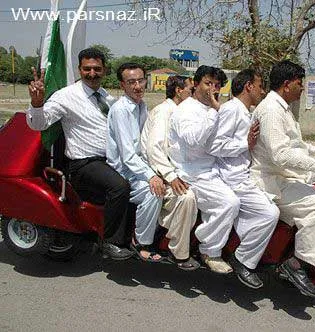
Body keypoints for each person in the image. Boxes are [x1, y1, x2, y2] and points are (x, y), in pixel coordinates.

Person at [26, 48, 133, 260]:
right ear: (79, 69)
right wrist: (37, 103)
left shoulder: (106, 97)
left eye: (97, 69)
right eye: (87, 69)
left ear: (105, 70)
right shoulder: (66, 96)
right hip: (83, 164)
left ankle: (137, 238)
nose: (92, 73)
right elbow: (39, 123)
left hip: (109, 161)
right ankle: (110, 242)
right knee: (119, 187)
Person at [250, 60, 315, 297]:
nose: (302, 88)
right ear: (286, 84)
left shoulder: (281, 107)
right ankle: (297, 264)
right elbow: (281, 155)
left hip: (284, 174)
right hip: (271, 180)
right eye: (299, 83)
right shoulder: (272, 110)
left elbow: (295, 143)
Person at [209, 69, 279, 288]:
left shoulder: (244, 111)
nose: (263, 91)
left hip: (244, 174)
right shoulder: (232, 110)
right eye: (260, 86)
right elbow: (215, 145)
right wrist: (245, 144)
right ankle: (243, 260)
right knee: (270, 213)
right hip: (232, 178)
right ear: (249, 86)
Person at [169, 65, 239, 274]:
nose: (213, 89)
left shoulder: (213, 109)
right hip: (192, 172)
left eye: (217, 85)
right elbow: (193, 140)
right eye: (208, 84)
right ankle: (209, 250)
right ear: (195, 83)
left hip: (214, 168)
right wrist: (215, 112)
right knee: (229, 203)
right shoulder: (185, 110)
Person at [106, 62, 166, 263]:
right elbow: (127, 155)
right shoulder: (121, 110)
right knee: (153, 192)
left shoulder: (142, 106)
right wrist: (151, 175)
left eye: (141, 80)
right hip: (124, 171)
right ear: (122, 85)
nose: (138, 86)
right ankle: (140, 242)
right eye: (131, 82)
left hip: (140, 166)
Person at [140, 75, 200, 270]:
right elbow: (154, 149)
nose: (193, 94)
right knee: (187, 197)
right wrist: (171, 177)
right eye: (190, 90)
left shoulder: (182, 112)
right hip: (158, 174)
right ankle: (179, 253)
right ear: (178, 91)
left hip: (175, 171)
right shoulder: (164, 112)